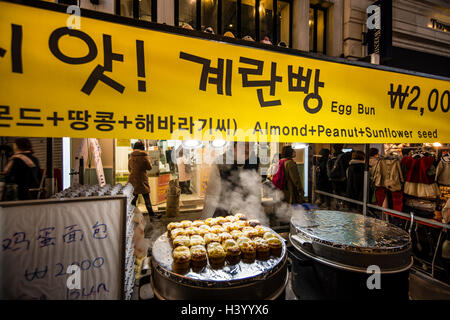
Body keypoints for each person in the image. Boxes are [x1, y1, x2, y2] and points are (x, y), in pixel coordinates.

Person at [202, 141, 260, 219]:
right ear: (233, 146)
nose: (247, 149)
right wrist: (205, 219)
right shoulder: (220, 162)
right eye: (243, 145)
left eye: (250, 145)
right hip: (223, 214)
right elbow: (212, 195)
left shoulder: (255, 162)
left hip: (247, 214)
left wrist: (256, 216)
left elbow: (256, 193)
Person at [128, 141, 160, 218]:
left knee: (133, 199)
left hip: (133, 179)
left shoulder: (131, 156)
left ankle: (131, 215)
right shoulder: (144, 156)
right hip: (142, 179)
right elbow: (149, 167)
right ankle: (152, 215)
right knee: (146, 198)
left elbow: (129, 169)